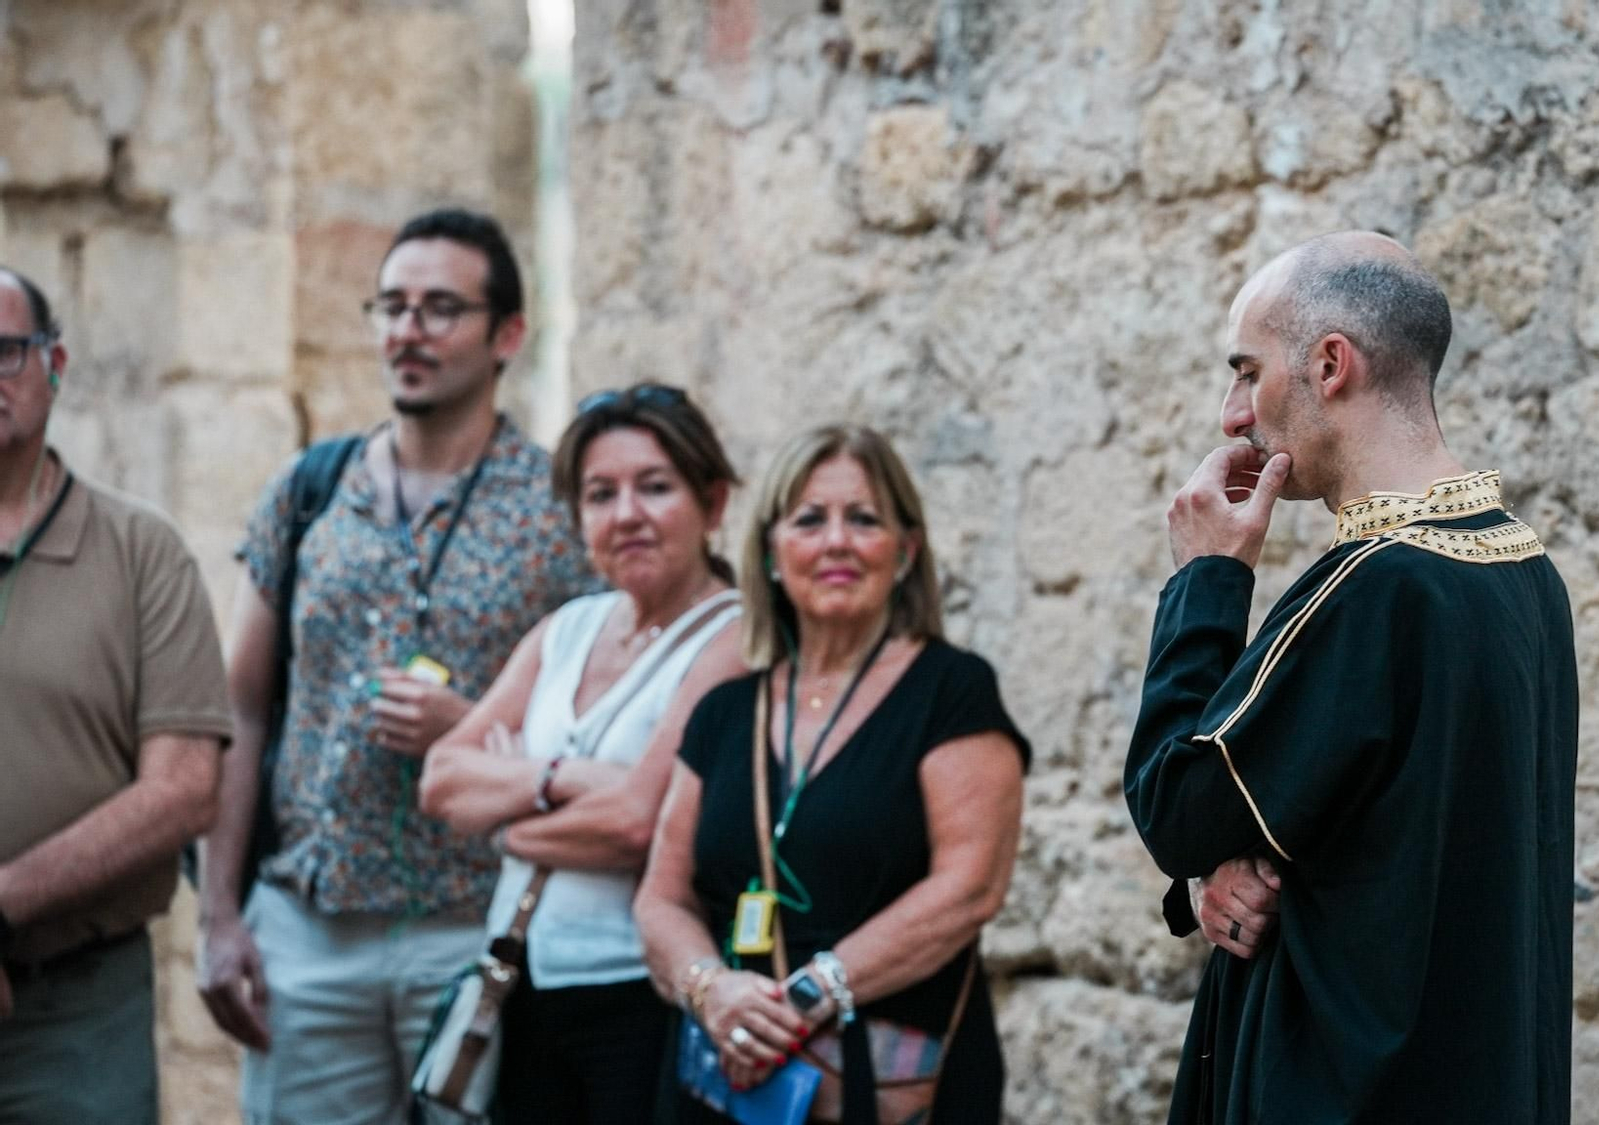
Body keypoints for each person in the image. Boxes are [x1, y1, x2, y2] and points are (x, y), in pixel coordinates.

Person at [1124, 231, 1579, 1125]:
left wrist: (1206, 577)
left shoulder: (1377, 587)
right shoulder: (1525, 570)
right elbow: (1372, 830)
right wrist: (1230, 866)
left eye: (1248, 373)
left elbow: (1177, 805)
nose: (1232, 415)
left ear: (1330, 364)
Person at [195, 209, 600, 1125]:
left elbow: (605, 724)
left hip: (479, 926)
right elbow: (239, 707)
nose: (408, 330)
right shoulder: (308, 489)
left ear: (508, 335)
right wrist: (220, 915)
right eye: (392, 306)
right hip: (307, 928)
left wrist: (468, 727)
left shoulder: (561, 510)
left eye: (440, 308)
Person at [637, 425, 1029, 1125]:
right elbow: (661, 898)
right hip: (724, 1074)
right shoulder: (724, 711)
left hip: (883, 1079)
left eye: (865, 519)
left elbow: (970, 887)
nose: (837, 541)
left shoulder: (951, 690)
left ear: (906, 551)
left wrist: (807, 996)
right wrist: (712, 990)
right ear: (770, 550)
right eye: (810, 519)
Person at [418, 383, 748, 1122]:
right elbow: (440, 778)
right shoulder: (568, 628)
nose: (626, 514)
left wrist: (505, 819)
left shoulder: (731, 636)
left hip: (637, 991)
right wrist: (561, 779)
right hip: (521, 980)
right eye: (601, 494)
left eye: (654, 487)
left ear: (713, 503)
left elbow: (637, 822)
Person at [0, 267, 231, 1122]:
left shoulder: (142, 552)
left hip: (76, 1006)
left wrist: (1, 903)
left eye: (4, 352)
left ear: (54, 365)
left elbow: (184, 789)